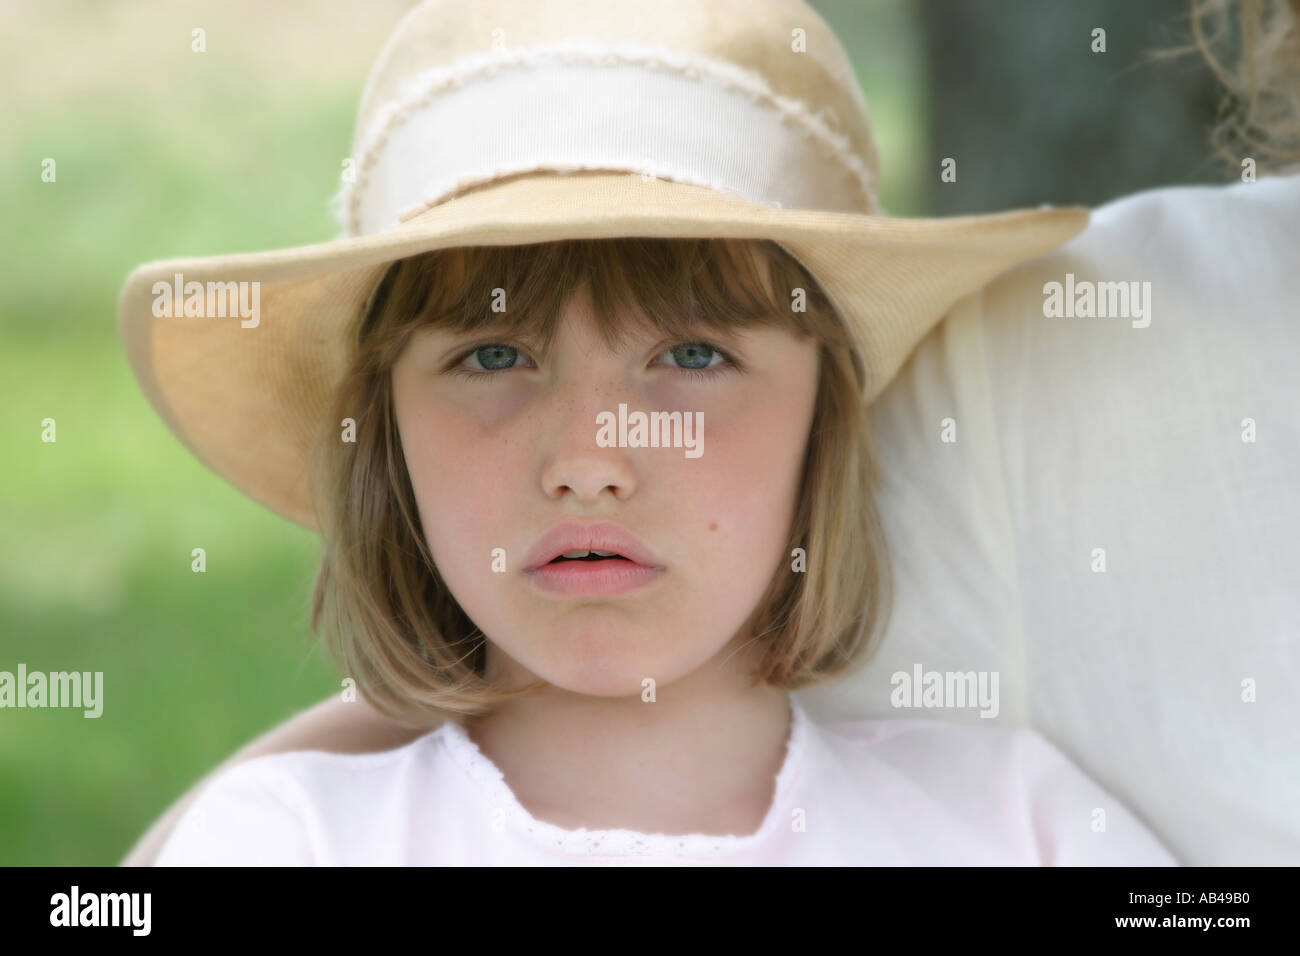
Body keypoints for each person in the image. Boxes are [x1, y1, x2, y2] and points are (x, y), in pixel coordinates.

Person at [118, 0, 1178, 865]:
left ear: (828, 413)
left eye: (693, 355)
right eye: (492, 356)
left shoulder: (1014, 825)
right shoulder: (289, 838)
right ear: (385, 431)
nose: (588, 459)